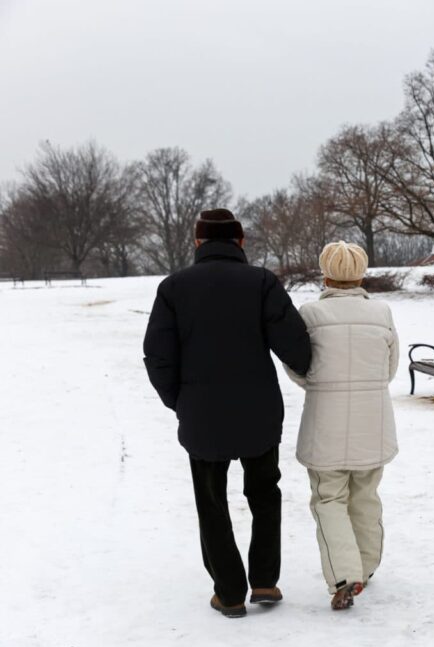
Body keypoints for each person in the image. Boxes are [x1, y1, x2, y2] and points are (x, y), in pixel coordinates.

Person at [143, 208, 311, 618]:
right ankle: (266, 580)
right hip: (259, 414)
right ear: (240, 242)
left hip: (202, 417)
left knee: (212, 503)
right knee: (265, 495)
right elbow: (297, 349)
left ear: (198, 242)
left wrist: (181, 402)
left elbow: (158, 357)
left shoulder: (173, 288)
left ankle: (230, 592)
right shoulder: (261, 283)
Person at [286, 241, 399, 610]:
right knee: (366, 496)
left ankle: (345, 576)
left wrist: (321, 385)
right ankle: (365, 568)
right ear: (361, 273)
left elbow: (297, 366)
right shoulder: (382, 313)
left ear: (326, 272)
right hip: (373, 420)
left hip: (325, 423)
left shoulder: (310, 313)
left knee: (329, 499)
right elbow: (389, 368)